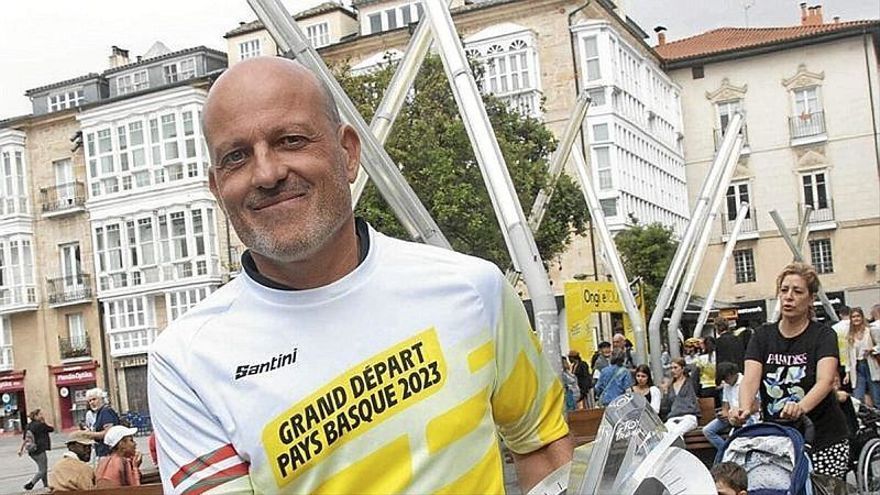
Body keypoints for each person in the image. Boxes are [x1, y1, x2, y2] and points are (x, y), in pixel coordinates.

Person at [147, 57, 572, 494]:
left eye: (291, 140)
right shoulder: (185, 362)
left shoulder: (473, 288)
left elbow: (540, 444)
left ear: (348, 153)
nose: (268, 173)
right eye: (236, 157)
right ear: (217, 188)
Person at [730, 262, 849, 491]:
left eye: (797, 291)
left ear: (811, 298)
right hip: (779, 441)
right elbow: (751, 378)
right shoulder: (763, 336)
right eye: (784, 290)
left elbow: (825, 381)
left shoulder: (823, 335)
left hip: (823, 438)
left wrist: (801, 407)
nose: (789, 297)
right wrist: (743, 409)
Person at [702, 362, 756, 452]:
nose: (725, 381)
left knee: (737, 437)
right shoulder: (727, 386)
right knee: (707, 431)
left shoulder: (746, 382)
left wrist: (739, 413)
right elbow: (725, 404)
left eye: (726, 378)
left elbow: (755, 407)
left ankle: (729, 451)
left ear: (732, 374)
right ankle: (726, 451)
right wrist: (723, 413)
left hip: (746, 416)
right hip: (730, 417)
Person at [846, 307, 880, 406]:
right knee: (857, 397)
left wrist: (873, 350)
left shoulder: (870, 331)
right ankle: (861, 420)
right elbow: (848, 355)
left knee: (876, 396)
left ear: (862, 317)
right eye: (853, 317)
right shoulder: (850, 335)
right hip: (857, 367)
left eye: (858, 316)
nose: (856, 319)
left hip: (871, 364)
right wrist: (847, 373)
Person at [660, 358, 699, 436]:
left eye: (675, 367)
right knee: (663, 434)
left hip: (689, 416)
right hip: (673, 417)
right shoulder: (670, 386)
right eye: (671, 368)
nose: (673, 370)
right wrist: (665, 392)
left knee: (677, 433)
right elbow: (665, 407)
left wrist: (685, 368)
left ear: (683, 368)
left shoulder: (690, 382)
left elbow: (695, 368)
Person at [18, 408, 54, 491]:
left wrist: (21, 450)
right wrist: (44, 421)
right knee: (43, 470)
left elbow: (25, 439)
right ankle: (31, 484)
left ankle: (46, 486)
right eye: (40, 414)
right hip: (39, 450)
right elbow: (51, 429)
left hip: (31, 451)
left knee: (42, 468)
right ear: (36, 416)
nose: (42, 415)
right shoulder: (40, 425)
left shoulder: (28, 426)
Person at [84, 387, 119, 459]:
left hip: (108, 453)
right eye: (90, 401)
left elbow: (108, 432)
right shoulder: (100, 412)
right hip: (103, 452)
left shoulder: (105, 411)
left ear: (102, 399)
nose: (92, 402)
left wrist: (90, 434)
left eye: (94, 399)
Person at [833, 306, 852, 389]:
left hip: (841, 360)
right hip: (857, 359)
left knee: (846, 386)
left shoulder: (834, 328)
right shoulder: (855, 325)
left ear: (840, 315)